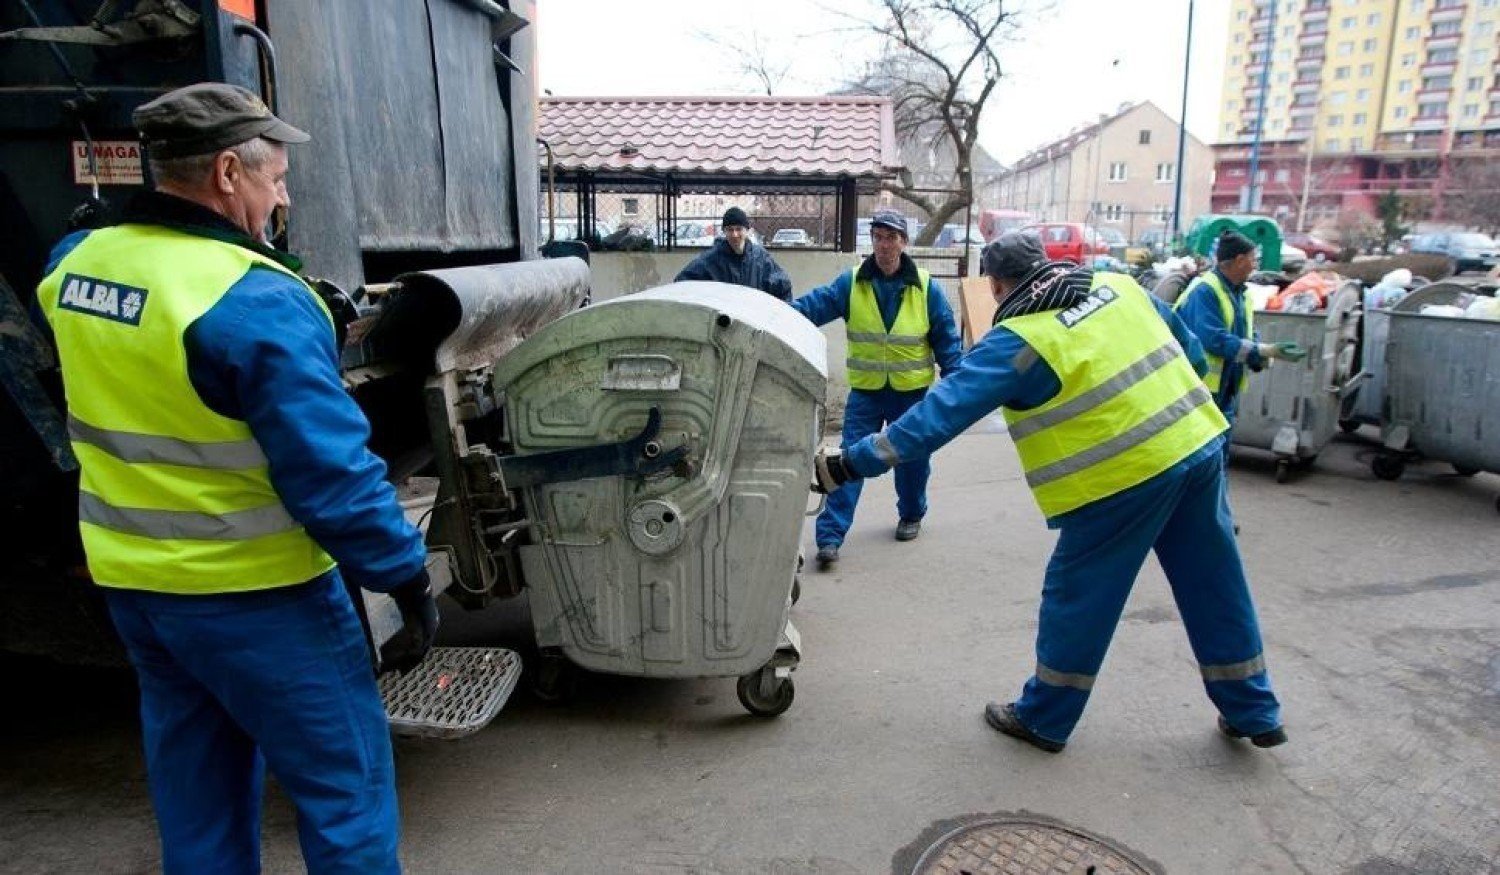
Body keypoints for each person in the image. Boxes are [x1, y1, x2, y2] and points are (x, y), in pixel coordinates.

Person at [34, 83, 436, 873]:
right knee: (345, 795)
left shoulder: (74, 264)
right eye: (276, 178)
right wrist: (405, 576)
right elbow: (332, 476)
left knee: (200, 796)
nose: (282, 195)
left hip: (141, 596)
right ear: (226, 173)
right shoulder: (256, 301)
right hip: (263, 598)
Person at [811, 230, 1286, 753]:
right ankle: (1255, 710)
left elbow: (932, 419)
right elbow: (1190, 351)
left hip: (1120, 479)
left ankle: (1044, 717)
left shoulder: (1018, 341)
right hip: (1197, 446)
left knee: (1079, 597)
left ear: (994, 285)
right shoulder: (1118, 285)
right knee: (1215, 582)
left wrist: (847, 463)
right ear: (1045, 262)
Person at [792, 209, 962, 570]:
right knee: (848, 460)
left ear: (904, 241)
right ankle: (830, 537)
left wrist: (958, 386)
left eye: (891, 237)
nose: (884, 245)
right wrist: (775, 312)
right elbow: (812, 307)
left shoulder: (926, 288)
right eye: (878, 237)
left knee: (913, 461)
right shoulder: (851, 283)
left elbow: (948, 340)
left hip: (910, 393)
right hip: (867, 393)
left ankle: (912, 513)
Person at [1174, 231, 1306, 455]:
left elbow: (1247, 331)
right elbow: (1213, 338)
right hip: (1200, 391)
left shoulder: (1241, 294)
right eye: (1253, 259)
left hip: (1226, 393)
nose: (1255, 265)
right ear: (1239, 260)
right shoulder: (1204, 291)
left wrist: (1260, 354)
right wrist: (1262, 350)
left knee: (1218, 457)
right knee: (1201, 457)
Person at [674, 206, 793, 301]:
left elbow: (783, 287)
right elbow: (682, 283)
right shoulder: (711, 259)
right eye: (730, 229)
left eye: (739, 229)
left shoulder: (760, 259)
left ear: (747, 231)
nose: (735, 234)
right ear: (724, 232)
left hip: (753, 321)